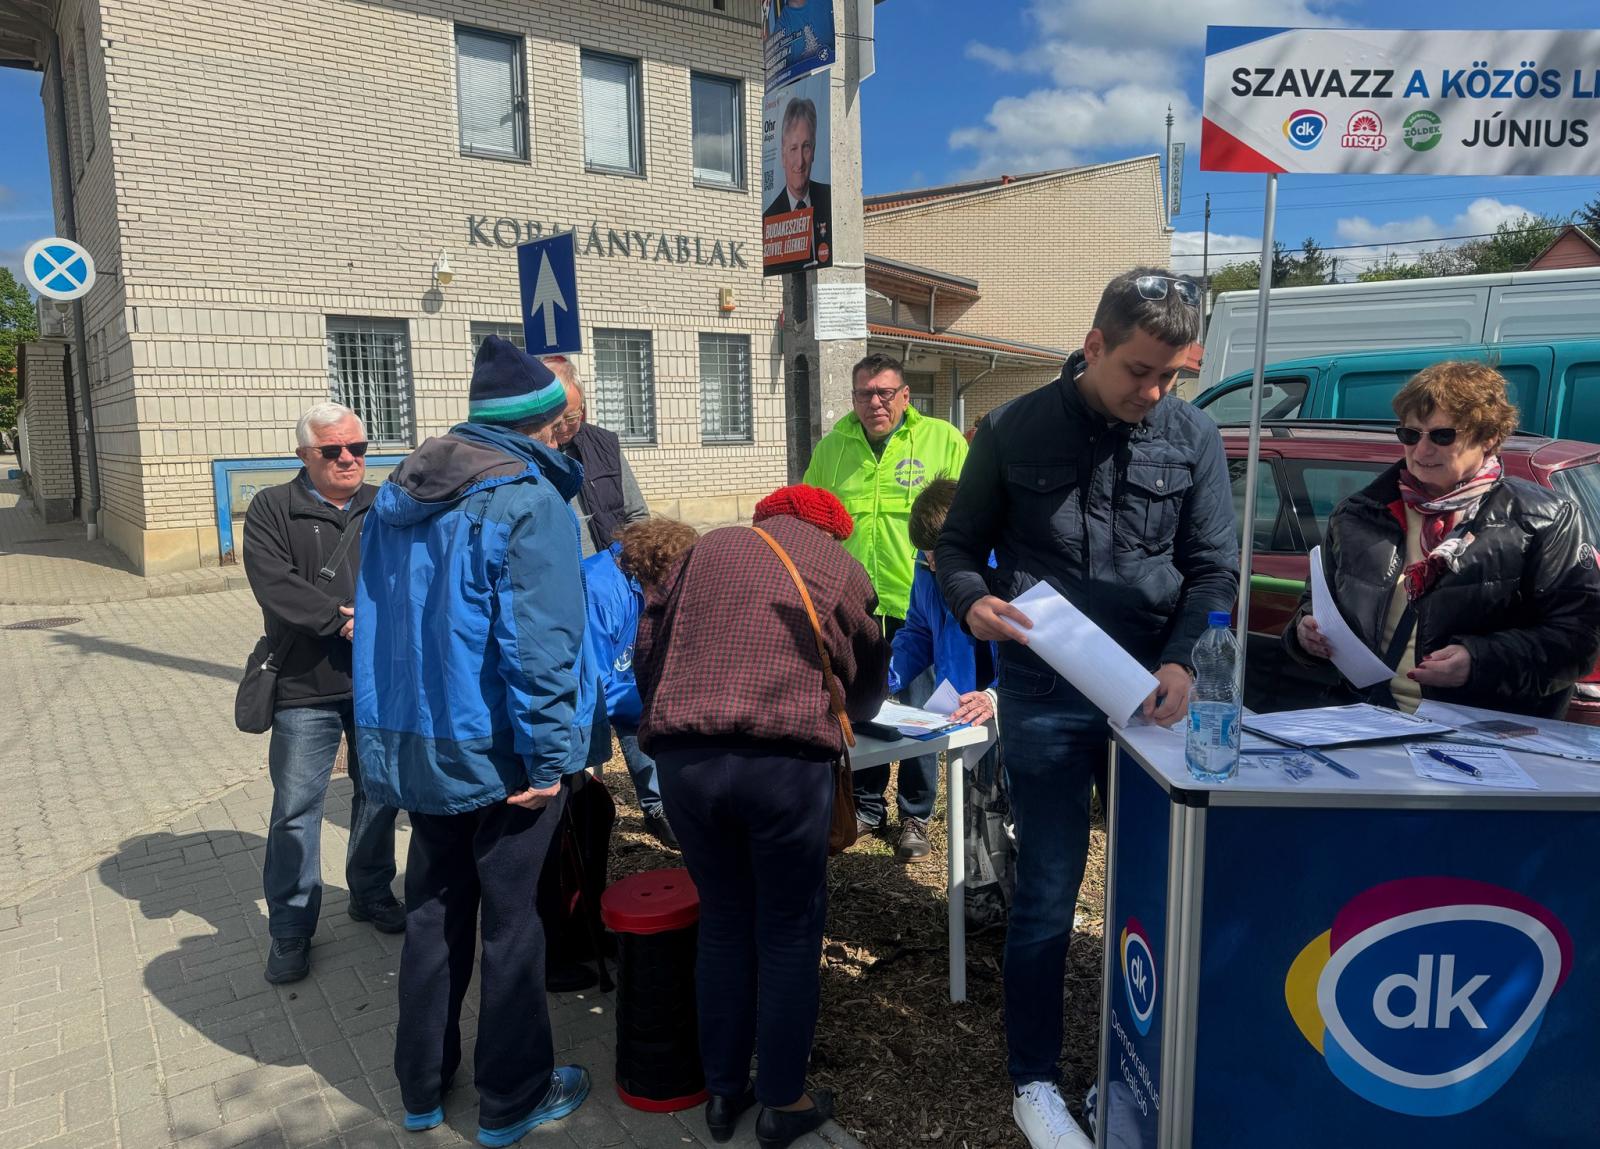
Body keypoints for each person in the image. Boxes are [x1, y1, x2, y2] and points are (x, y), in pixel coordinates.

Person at [935, 268, 1238, 1149]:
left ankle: (1132, 1065)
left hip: (1153, 697)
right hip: (1046, 695)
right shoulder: (1010, 426)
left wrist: (1185, 659)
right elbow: (958, 544)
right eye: (1139, 370)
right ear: (1094, 344)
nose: (1154, 392)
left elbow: (1213, 565)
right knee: (1049, 891)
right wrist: (969, 599)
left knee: (1153, 893)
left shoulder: (1194, 436)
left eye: (1170, 375)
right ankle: (1034, 1076)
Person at [353, 336, 591, 1145]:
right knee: (513, 922)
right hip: (501, 752)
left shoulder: (398, 490)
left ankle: (420, 1086)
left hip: (420, 740)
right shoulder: (527, 498)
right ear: (541, 423)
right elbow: (540, 645)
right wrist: (550, 756)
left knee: (432, 909)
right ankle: (512, 1096)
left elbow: (388, 627)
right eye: (560, 422)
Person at [634, 485, 888, 1149]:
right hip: (781, 764)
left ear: (767, 517)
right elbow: (866, 673)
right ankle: (783, 1099)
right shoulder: (838, 565)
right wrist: (850, 709)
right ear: (833, 529)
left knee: (722, 918)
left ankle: (722, 1090)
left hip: (685, 759)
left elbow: (647, 648)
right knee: (788, 928)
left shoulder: (703, 549)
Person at [1285, 360, 1600, 716]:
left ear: (1489, 437)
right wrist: (1304, 633)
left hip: (1481, 733)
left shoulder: (1545, 517)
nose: (1421, 451)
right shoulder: (1358, 513)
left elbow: (1576, 643)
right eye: (1410, 434)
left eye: (1442, 436)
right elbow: (1313, 606)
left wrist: (1476, 660)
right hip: (1367, 721)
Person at [242, 402, 402, 986]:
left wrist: (386, 620)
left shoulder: (386, 504)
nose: (347, 460)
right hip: (303, 686)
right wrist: (339, 621)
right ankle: (290, 927)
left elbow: (411, 574)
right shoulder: (272, 508)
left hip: (378, 684)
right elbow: (270, 581)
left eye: (357, 449)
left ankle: (370, 891)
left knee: (380, 793)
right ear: (305, 455)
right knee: (294, 810)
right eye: (332, 451)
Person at [803, 353, 968, 858]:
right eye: (863, 394)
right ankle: (869, 804)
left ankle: (915, 815)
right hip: (852, 604)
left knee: (919, 706)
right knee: (866, 704)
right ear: (852, 398)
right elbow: (810, 517)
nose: (874, 403)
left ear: (904, 395)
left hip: (917, 600)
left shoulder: (943, 440)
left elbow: (967, 515)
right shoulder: (834, 448)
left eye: (884, 393)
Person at [891, 479, 1014, 921]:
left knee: (1011, 816)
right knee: (971, 812)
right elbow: (917, 632)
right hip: (960, 712)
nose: (930, 563)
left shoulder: (1010, 567)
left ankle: (1022, 914)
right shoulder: (926, 571)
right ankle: (980, 908)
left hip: (1011, 710)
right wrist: (884, 677)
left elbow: (1036, 648)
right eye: (924, 554)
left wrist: (997, 696)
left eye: (938, 553)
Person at [583, 518, 701, 848]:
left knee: (644, 708)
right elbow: (594, 683)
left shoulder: (638, 580)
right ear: (660, 564)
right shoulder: (599, 590)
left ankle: (658, 806)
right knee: (640, 712)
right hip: (584, 692)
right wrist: (655, 702)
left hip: (619, 674)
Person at [544, 355, 650, 557]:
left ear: (582, 408)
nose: (564, 427)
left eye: (572, 417)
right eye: (555, 419)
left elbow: (637, 516)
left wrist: (624, 563)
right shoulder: (530, 453)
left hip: (610, 577)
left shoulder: (606, 444)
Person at [763, 96, 832, 222]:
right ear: (783, 155)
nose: (800, 162)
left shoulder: (831, 199)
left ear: (814, 150)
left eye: (806, 147)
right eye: (793, 149)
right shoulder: (769, 219)